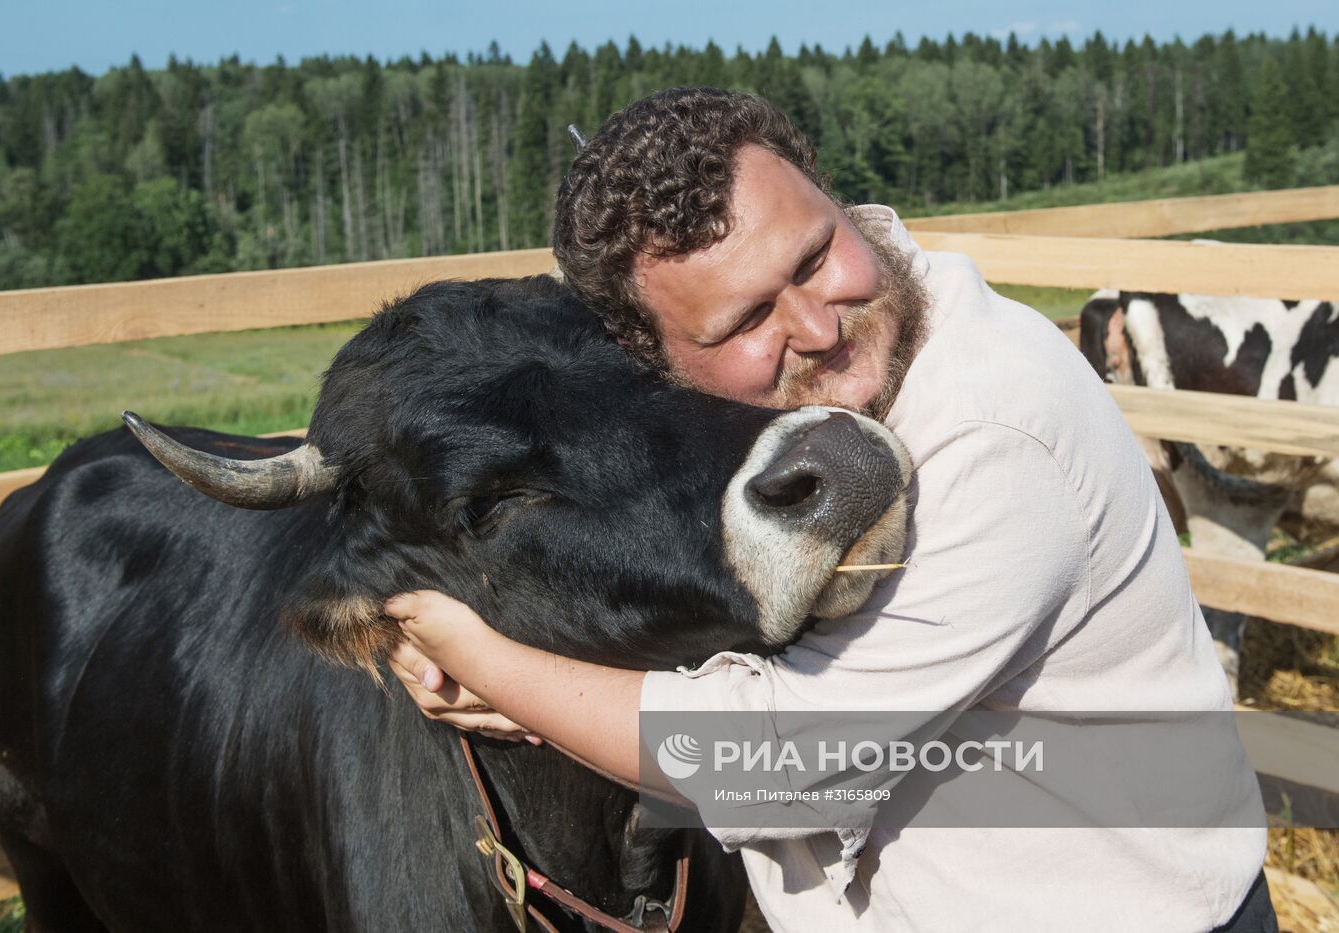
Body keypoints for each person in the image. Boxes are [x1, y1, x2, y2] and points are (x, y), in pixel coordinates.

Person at [384, 88, 1275, 932]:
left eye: (814, 258)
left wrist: (489, 663)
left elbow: (777, 764)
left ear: (835, 196)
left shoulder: (993, 429)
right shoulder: (749, 427)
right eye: (745, 321)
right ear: (645, 356)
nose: (819, 328)